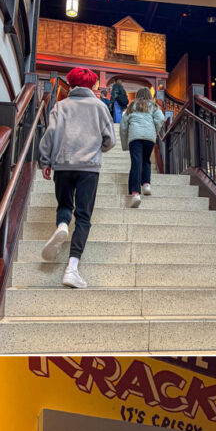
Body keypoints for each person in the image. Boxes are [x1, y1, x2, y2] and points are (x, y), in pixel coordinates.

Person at [37, 66, 116, 288]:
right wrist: (96, 148)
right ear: (92, 85)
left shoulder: (61, 105)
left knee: (64, 204)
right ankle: (72, 268)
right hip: (89, 167)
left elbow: (49, 134)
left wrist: (46, 161)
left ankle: (62, 225)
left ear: (70, 84)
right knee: (83, 216)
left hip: (62, 164)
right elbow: (110, 140)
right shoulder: (100, 107)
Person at [119, 86, 165, 208]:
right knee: (146, 160)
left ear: (137, 95)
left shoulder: (131, 106)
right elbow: (160, 118)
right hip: (149, 137)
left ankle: (135, 193)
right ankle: (146, 184)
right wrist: (155, 130)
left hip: (135, 137)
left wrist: (125, 144)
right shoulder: (154, 106)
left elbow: (123, 126)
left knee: (136, 162)